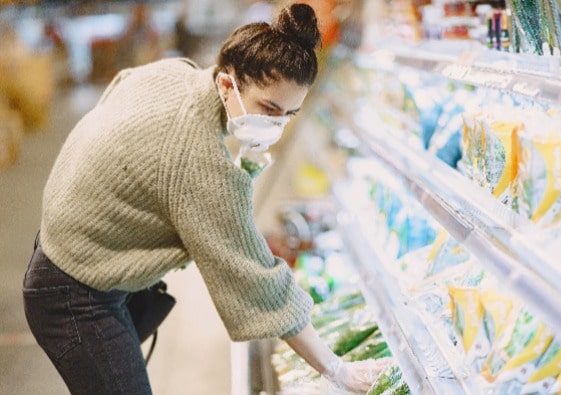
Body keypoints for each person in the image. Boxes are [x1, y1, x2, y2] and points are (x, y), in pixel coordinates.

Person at [22, 3, 390, 394]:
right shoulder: (200, 166)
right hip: (73, 292)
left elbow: (118, 92)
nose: (276, 125)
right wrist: (338, 370)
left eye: (288, 115)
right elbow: (257, 282)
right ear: (228, 85)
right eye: (268, 108)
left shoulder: (174, 72)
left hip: (64, 248)